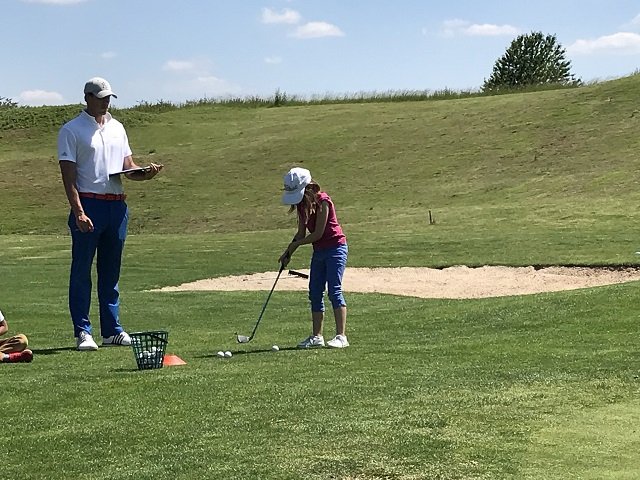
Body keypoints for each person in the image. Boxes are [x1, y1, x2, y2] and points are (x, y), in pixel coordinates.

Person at [57, 77, 163, 351]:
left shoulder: (118, 128)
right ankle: (83, 331)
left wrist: (145, 173)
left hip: (116, 205)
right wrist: (78, 211)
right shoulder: (71, 130)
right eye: (101, 97)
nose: (106, 101)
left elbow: (127, 166)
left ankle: (111, 330)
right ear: (87, 97)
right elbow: (68, 177)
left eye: (108, 97)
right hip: (88, 204)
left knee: (110, 271)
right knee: (81, 271)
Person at [279, 167, 349, 348]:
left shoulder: (323, 201)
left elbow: (318, 233)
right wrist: (288, 252)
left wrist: (295, 246)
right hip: (319, 251)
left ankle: (341, 337)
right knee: (315, 292)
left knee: (334, 290)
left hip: (335, 248)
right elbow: (301, 233)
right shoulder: (302, 206)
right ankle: (317, 336)